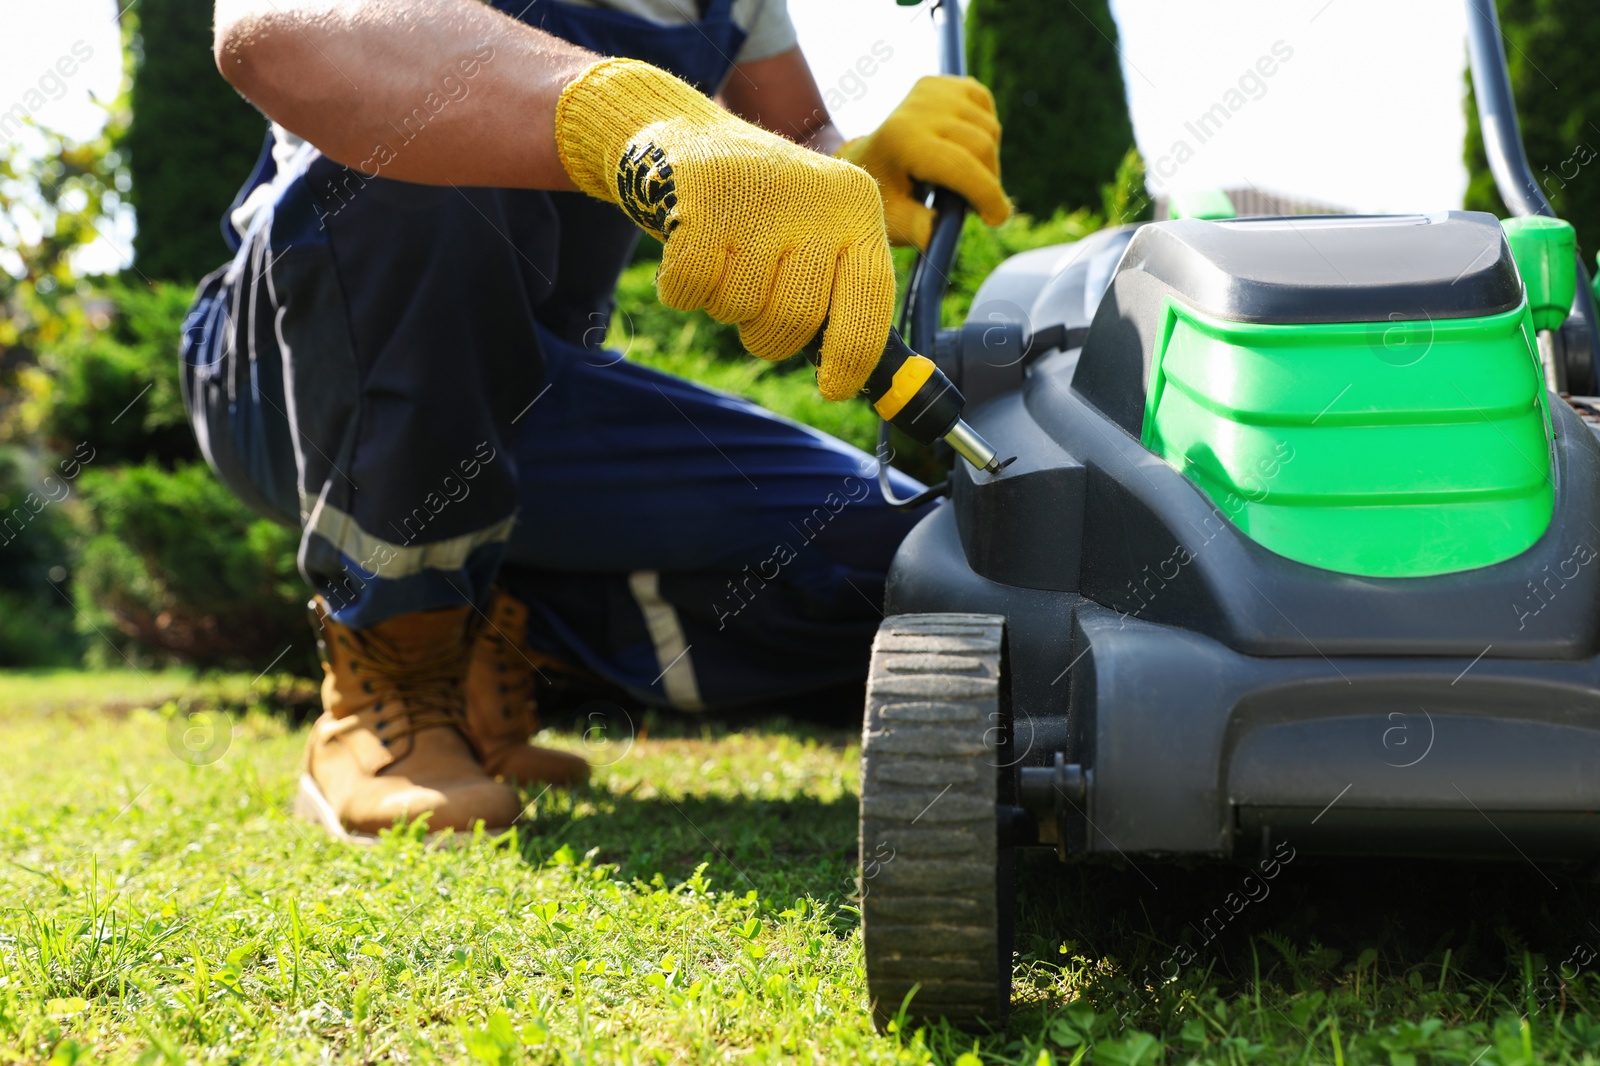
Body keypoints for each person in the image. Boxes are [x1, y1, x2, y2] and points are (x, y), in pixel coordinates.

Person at [190, 0, 1010, 840]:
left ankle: (488, 645)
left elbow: (792, 151)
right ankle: (387, 695)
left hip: (534, 393)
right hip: (295, 370)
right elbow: (271, 32)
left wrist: (861, 169)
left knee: (905, 565)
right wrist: (617, 111)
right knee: (407, 152)